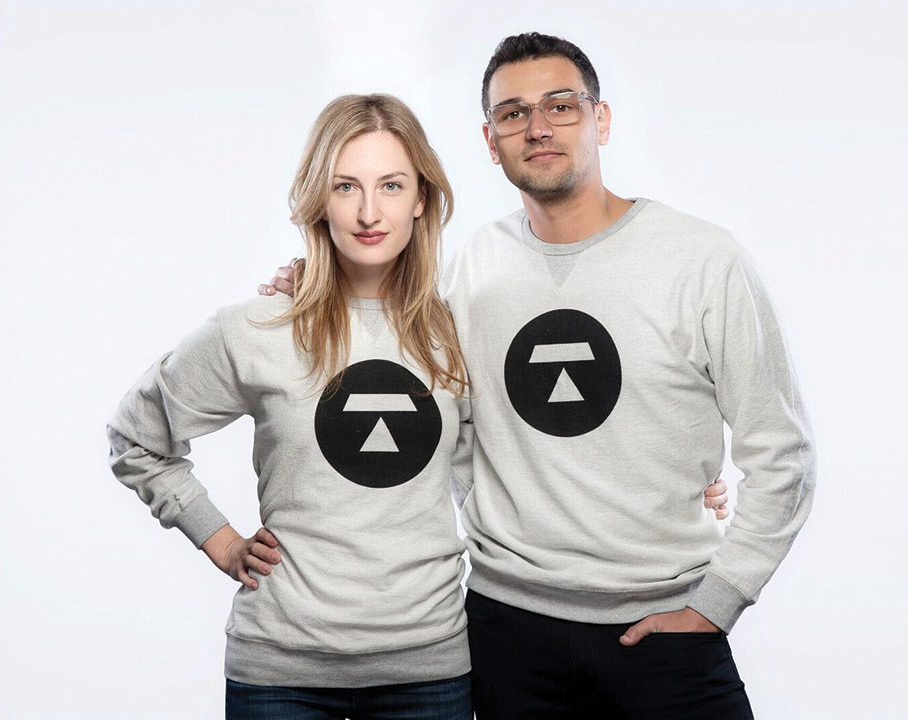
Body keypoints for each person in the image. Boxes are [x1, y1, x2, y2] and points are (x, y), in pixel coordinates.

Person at [262, 32, 813, 719]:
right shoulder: (472, 269)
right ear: (490, 140)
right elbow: (435, 418)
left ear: (601, 119)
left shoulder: (702, 260)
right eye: (514, 113)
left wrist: (720, 599)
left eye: (561, 105)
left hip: (668, 631)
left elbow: (782, 451)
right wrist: (315, 284)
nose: (538, 127)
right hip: (506, 635)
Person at [107, 94, 479, 720]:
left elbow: (513, 463)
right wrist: (218, 540)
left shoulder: (461, 329)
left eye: (391, 185)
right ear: (318, 199)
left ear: (421, 199)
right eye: (345, 186)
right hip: (281, 674)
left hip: (430, 668)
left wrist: (693, 478)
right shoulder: (256, 329)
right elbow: (135, 437)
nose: (368, 211)